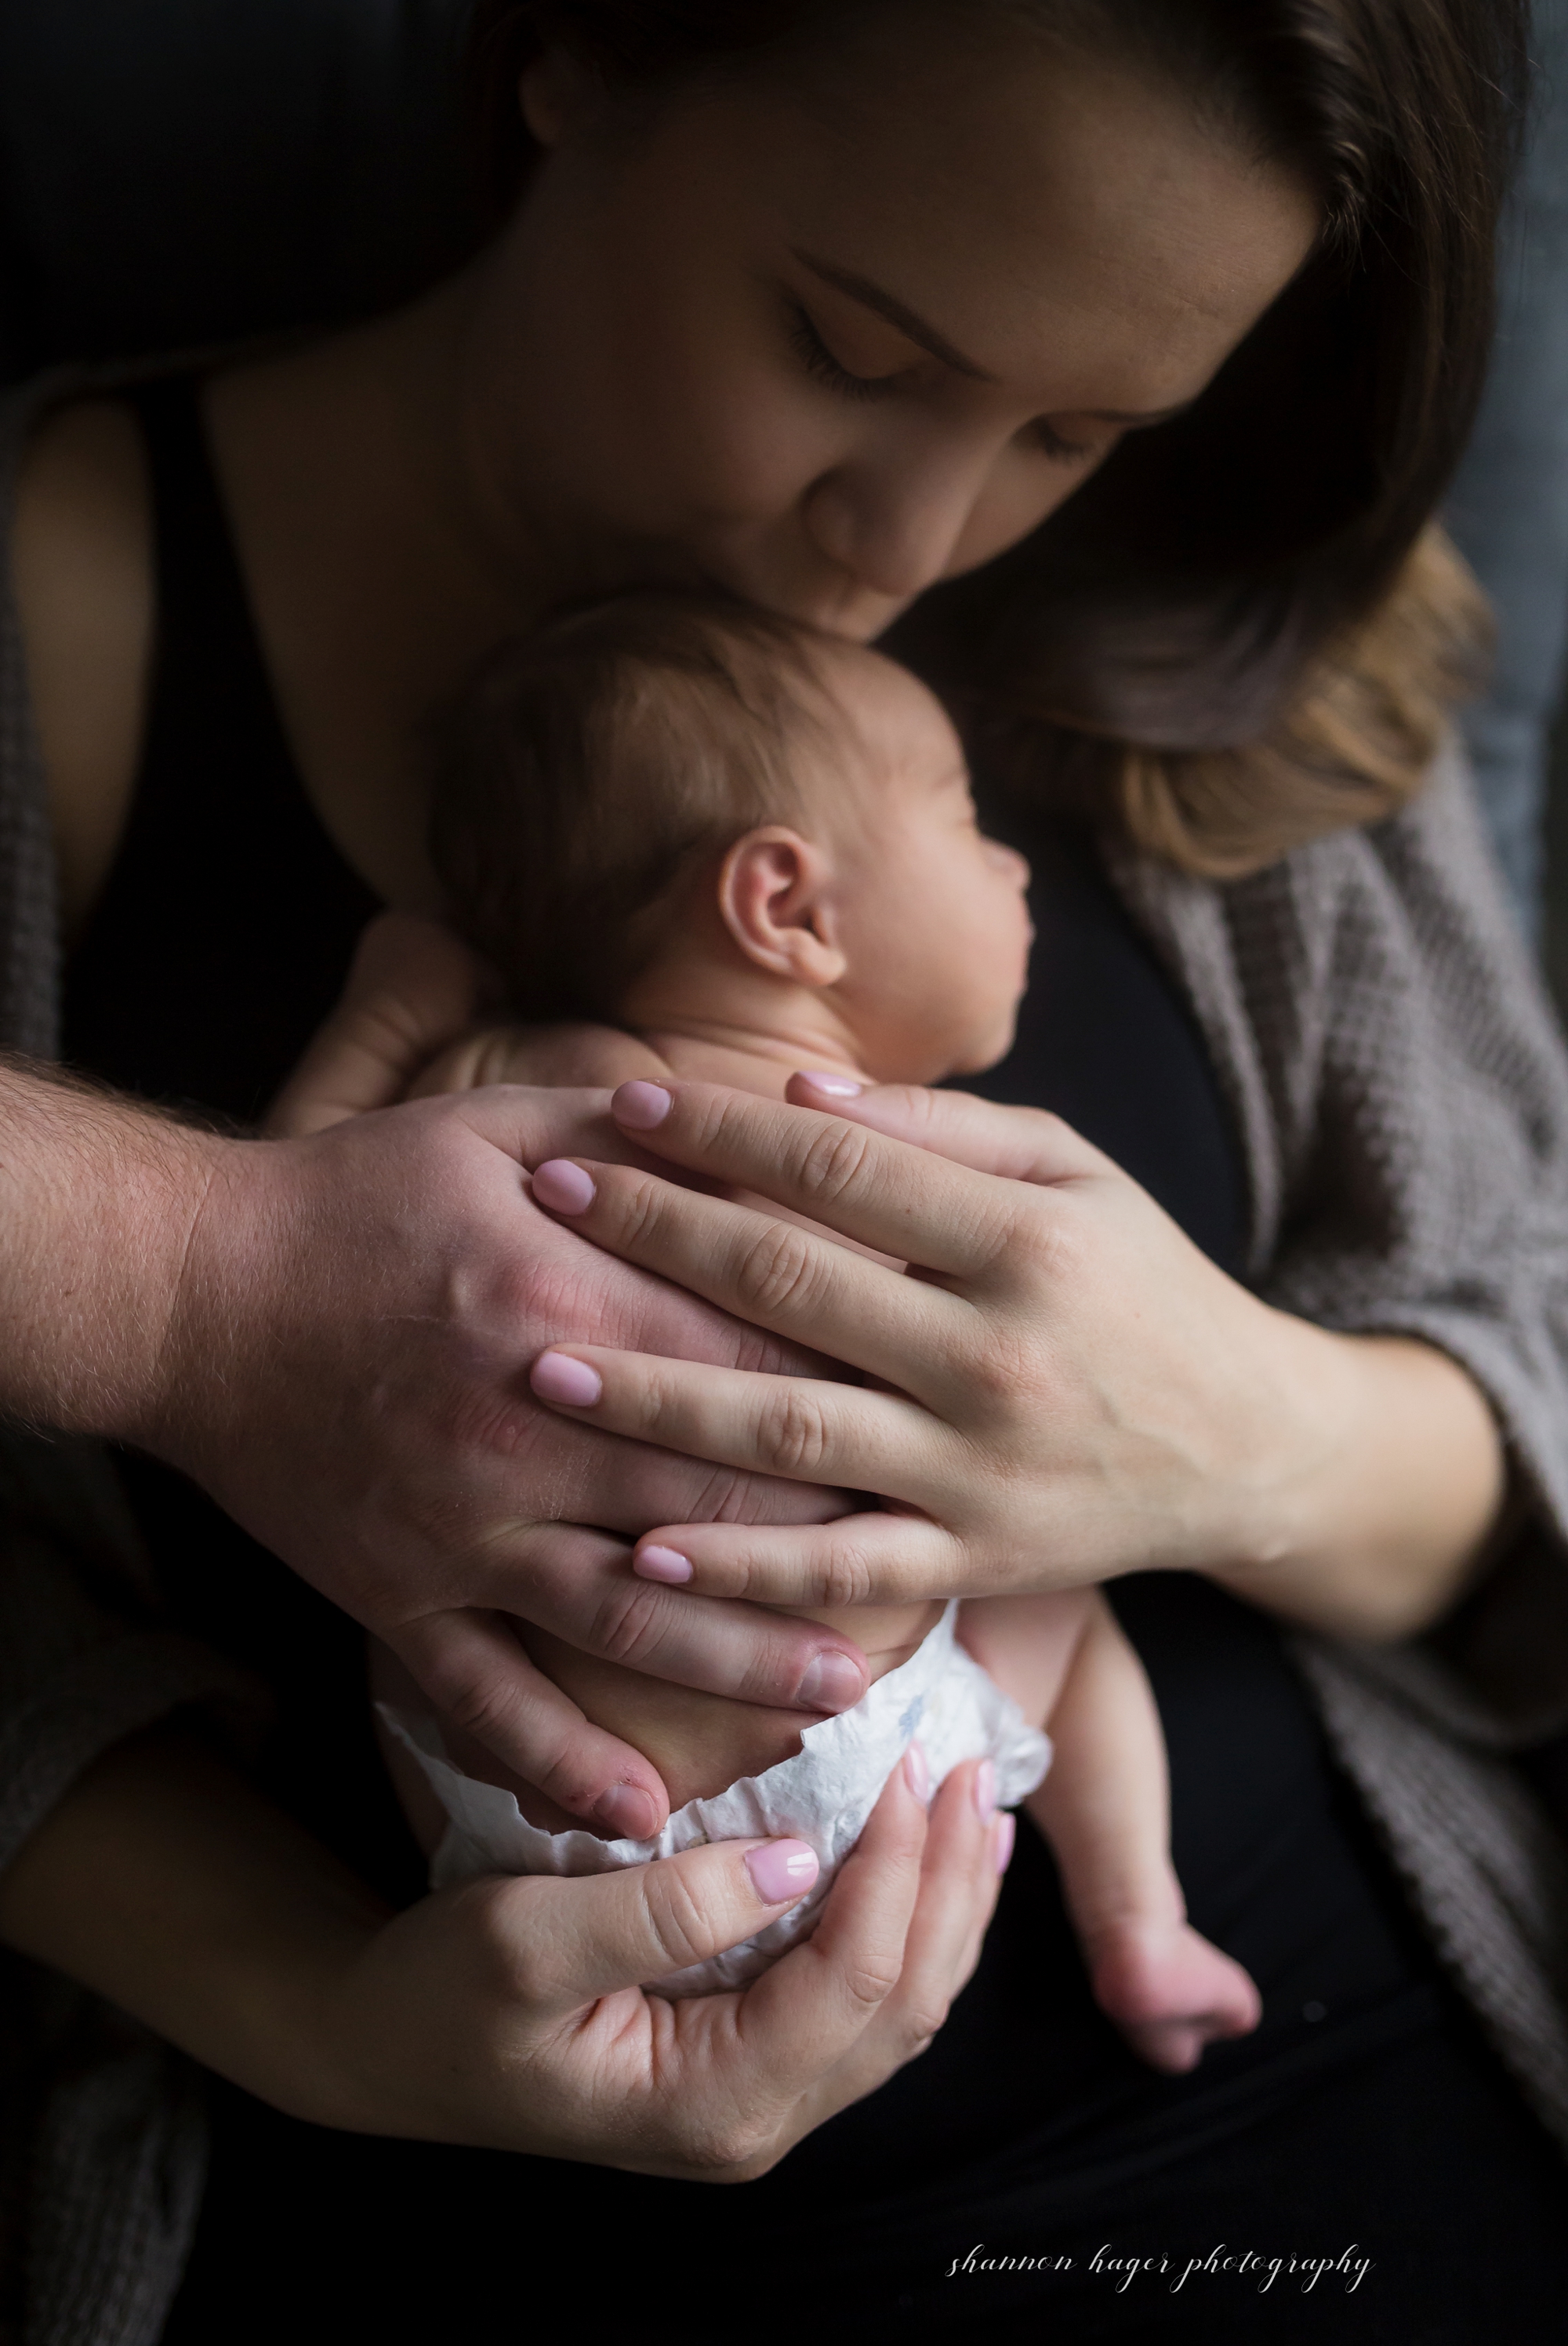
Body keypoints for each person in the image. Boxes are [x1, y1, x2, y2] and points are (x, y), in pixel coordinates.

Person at [1, 0, 1566, 2337]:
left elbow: (1528, 1336)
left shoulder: (1219, 628)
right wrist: (314, 2016)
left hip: (1363, 2094)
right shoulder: (65, 621)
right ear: (583, 48)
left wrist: (1233, 1431)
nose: (912, 538)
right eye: (847, 344)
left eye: (1078, 426)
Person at [278, 586, 1262, 2068]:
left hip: (517, 1814)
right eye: (968, 818)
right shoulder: (921, 1161)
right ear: (788, 907)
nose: (1012, 864)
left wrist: (383, 1007)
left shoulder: (503, 1079)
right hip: (866, 1760)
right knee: (1072, 1564)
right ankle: (1140, 1919)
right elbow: (1048, 1409)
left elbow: (290, 1225)